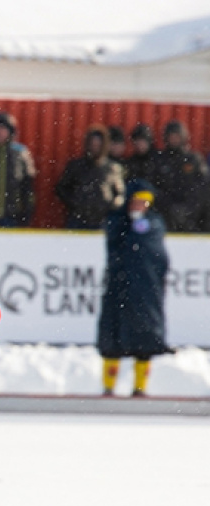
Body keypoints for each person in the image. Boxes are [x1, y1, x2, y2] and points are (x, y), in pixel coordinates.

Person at [98, 182, 171, 397]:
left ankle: (140, 387)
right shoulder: (118, 222)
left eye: (145, 202)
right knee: (113, 338)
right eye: (137, 201)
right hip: (119, 288)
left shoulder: (154, 224)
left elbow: (155, 254)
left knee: (144, 340)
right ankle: (108, 386)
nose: (140, 206)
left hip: (144, 291)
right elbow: (116, 249)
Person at [54, 125, 126, 230]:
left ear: (104, 145)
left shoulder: (112, 168)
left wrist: (110, 205)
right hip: (78, 218)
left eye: (98, 145)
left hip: (103, 219)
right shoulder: (76, 166)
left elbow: (120, 193)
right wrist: (74, 202)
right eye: (93, 144)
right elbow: (61, 188)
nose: (95, 147)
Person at [151, 120, 210, 233]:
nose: (174, 139)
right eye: (171, 136)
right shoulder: (159, 160)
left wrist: (188, 208)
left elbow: (203, 188)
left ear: (183, 137)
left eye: (176, 136)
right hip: (165, 216)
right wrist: (169, 206)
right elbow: (154, 187)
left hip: (192, 217)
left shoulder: (194, 159)